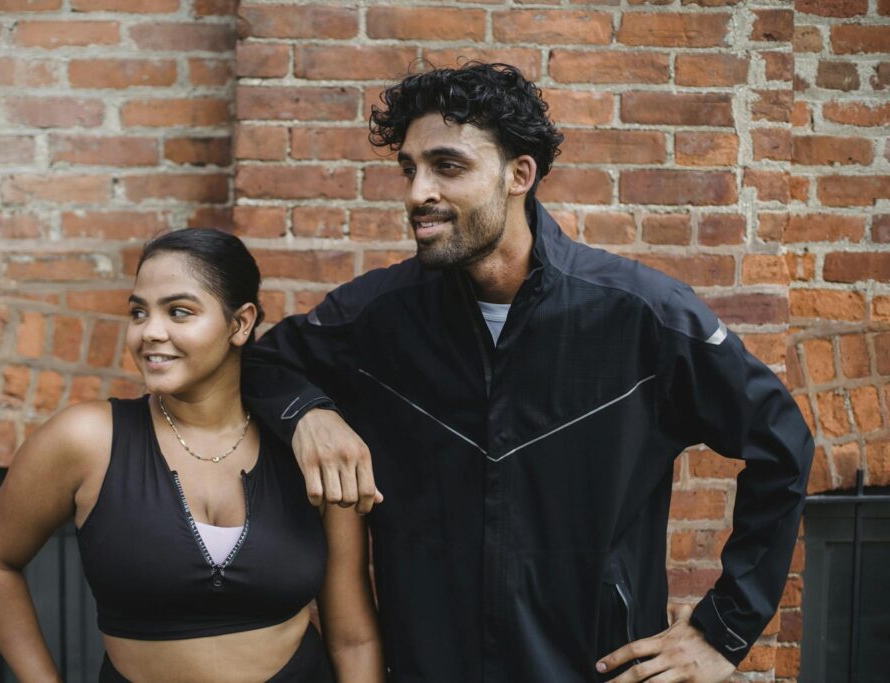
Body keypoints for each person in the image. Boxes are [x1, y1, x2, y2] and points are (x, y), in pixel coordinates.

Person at [242, 63, 814, 682]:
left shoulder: (640, 315)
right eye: (410, 169)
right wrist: (310, 414)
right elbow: (259, 364)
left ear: (520, 174)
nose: (416, 193)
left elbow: (781, 443)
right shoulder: (378, 317)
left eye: (447, 166)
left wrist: (721, 632)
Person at [0, 229, 383, 683]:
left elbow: (353, 639)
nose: (150, 332)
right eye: (138, 312)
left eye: (179, 312)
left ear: (240, 324)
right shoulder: (86, 439)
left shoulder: (312, 451)